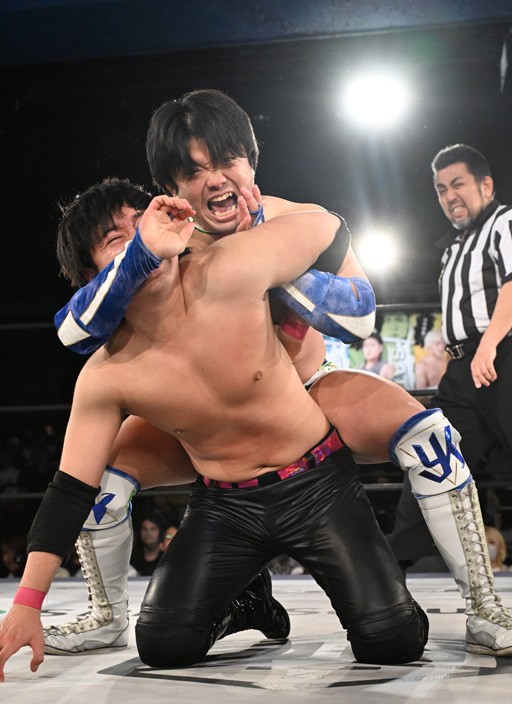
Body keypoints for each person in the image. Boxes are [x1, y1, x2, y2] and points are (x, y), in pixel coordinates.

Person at [44, 91, 512, 659]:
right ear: (171, 186)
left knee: (430, 438)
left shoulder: (297, 221)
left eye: (227, 161)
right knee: (103, 475)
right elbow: (75, 328)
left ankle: (485, 605)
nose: (216, 180)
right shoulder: (165, 240)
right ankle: (107, 612)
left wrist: (265, 252)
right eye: (194, 171)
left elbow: (359, 318)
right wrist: (143, 255)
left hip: (308, 397)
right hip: (206, 429)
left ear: (251, 160)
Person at [0, 190, 429, 681]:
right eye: (118, 239)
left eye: (145, 223)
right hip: (225, 505)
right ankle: (249, 604)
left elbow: (326, 228)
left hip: (316, 485)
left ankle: (445, 602)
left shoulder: (230, 269)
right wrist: (27, 603)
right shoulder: (107, 375)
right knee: (164, 642)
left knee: (392, 640)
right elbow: (71, 489)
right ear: (91, 276)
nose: (146, 241)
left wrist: (244, 196)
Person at [391, 144, 512, 583]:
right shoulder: (452, 250)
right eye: (441, 189)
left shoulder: (504, 223)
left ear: (486, 185)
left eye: (457, 184)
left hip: (501, 354)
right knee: (433, 459)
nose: (449, 196)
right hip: (464, 369)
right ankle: (392, 567)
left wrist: (489, 345)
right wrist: (458, 357)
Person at [130, 511, 166, 576]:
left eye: (153, 529)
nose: (148, 533)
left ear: (161, 532)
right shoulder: (132, 559)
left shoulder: (166, 559)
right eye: (144, 529)